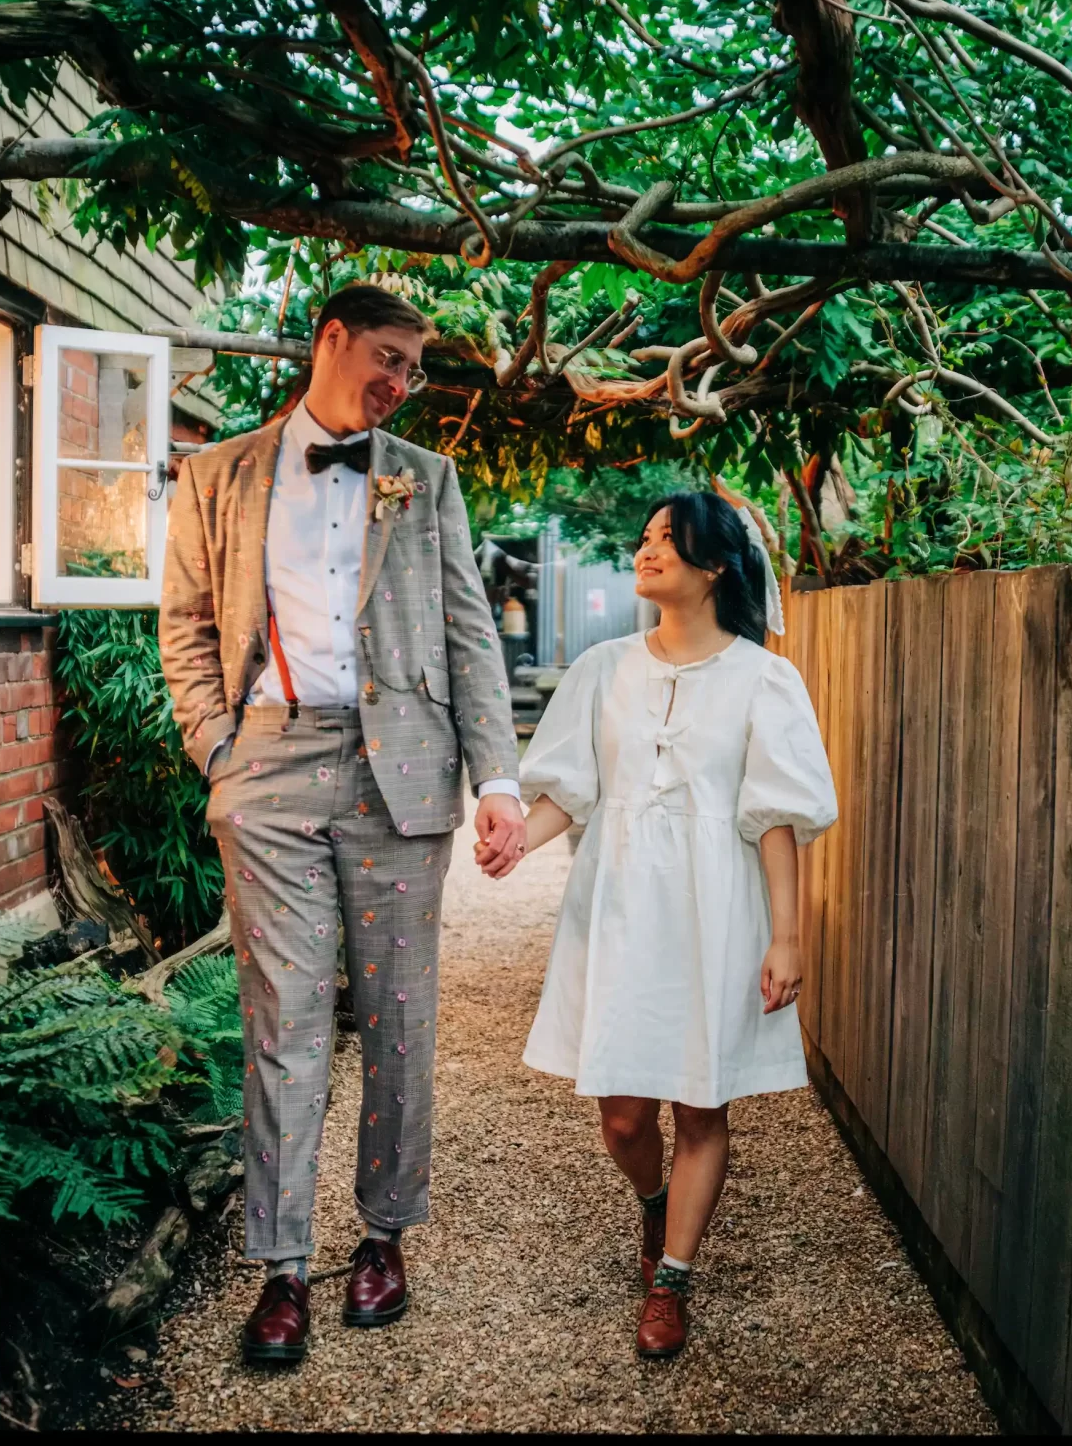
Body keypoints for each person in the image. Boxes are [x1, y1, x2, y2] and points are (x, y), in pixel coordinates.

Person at [160, 284, 525, 1363]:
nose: (400, 382)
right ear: (330, 339)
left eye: (412, 368)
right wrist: (215, 752)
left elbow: (469, 635)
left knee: (400, 1018)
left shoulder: (427, 479)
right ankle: (280, 1269)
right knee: (284, 1025)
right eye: (387, 358)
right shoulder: (214, 473)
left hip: (402, 776)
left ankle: (382, 1238)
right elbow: (182, 624)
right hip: (267, 766)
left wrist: (496, 778)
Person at [478, 490, 836, 1358]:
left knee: (700, 1103)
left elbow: (774, 820)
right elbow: (572, 790)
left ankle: (670, 1278)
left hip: (716, 904)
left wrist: (786, 938)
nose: (646, 552)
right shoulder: (603, 669)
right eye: (643, 539)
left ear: (714, 566)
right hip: (621, 903)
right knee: (625, 1117)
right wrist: (521, 838)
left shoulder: (765, 679)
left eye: (667, 542)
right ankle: (652, 1203)